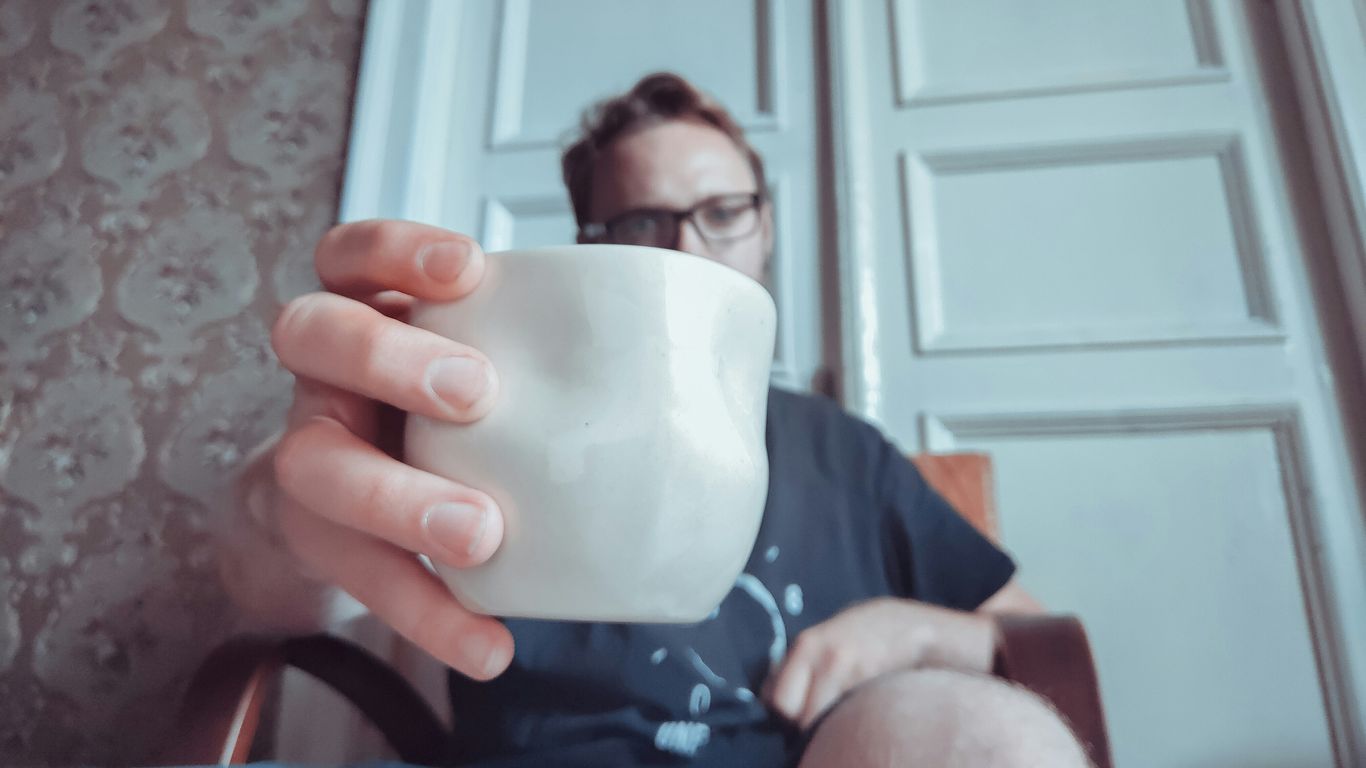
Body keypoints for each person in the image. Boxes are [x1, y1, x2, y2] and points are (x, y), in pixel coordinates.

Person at [219, 73, 1091, 767]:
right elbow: (279, 595)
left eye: (722, 212)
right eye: (643, 221)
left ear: (766, 227)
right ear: (594, 243)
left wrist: (918, 629)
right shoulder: (478, 419)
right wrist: (286, 508)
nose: (687, 251)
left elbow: (1032, 631)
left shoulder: (844, 451)